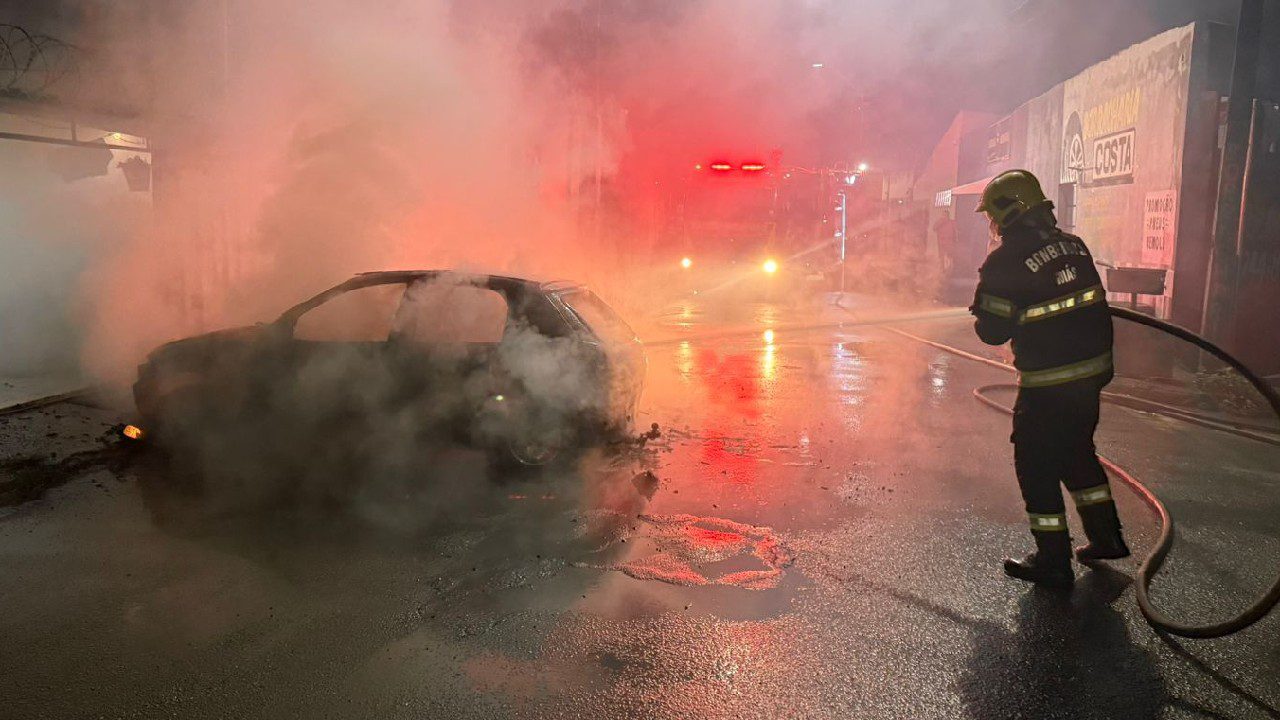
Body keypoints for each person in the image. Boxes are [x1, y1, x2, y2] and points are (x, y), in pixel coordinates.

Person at [970, 169, 1130, 589]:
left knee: (1035, 463)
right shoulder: (1074, 245)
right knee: (1077, 451)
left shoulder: (1005, 260)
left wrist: (985, 303)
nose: (992, 223)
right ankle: (1107, 538)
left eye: (993, 214)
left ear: (1010, 210)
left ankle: (1052, 560)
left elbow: (992, 332)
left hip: (1049, 381)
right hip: (1091, 373)